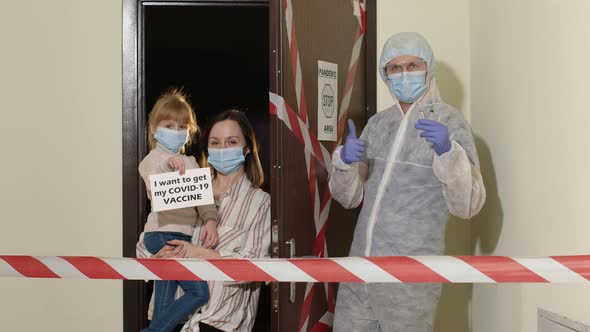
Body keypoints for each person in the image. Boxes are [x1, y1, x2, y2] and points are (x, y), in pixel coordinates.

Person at [329, 32, 486, 331]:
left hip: (410, 278)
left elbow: (468, 205)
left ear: (428, 68)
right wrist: (345, 163)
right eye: (395, 68)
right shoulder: (377, 125)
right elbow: (349, 198)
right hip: (359, 269)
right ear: (385, 75)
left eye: (413, 65)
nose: (404, 74)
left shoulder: (450, 123)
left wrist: (449, 153)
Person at [137, 109, 271, 332]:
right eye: (215, 142)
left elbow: (252, 267)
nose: (222, 149)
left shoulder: (259, 202)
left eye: (232, 142)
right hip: (169, 319)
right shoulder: (186, 182)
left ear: (247, 149)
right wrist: (156, 254)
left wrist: (197, 252)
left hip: (217, 322)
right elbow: (149, 238)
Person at [138, 89, 220, 332]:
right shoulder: (152, 159)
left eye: (181, 126)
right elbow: (153, 182)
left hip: (182, 238)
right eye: (169, 125)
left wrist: (211, 220)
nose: (175, 131)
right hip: (161, 234)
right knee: (198, 291)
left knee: (165, 296)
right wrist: (169, 165)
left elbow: (204, 200)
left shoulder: (193, 163)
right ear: (154, 129)